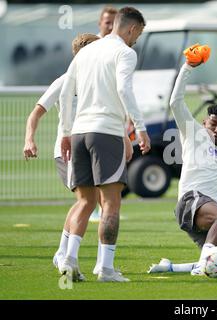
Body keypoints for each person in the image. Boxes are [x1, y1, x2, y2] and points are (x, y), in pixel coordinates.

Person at [59, 7, 150, 282]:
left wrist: (65, 131)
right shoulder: (125, 52)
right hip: (106, 132)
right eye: (139, 34)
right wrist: (140, 128)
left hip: (78, 132)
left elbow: (65, 92)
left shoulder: (86, 51)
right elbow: (124, 89)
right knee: (110, 204)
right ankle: (105, 268)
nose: (136, 40)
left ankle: (70, 259)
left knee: (85, 201)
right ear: (132, 29)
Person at [148, 53, 217, 275]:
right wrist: (187, 67)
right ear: (205, 122)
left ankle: (172, 267)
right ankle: (206, 254)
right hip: (191, 201)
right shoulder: (193, 132)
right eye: (213, 124)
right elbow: (175, 102)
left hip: (208, 213)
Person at [23, 33, 107, 281]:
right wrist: (29, 139)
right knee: (87, 201)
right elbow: (35, 113)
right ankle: (65, 256)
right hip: (67, 151)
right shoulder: (64, 81)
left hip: (87, 149)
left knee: (90, 201)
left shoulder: (97, 82)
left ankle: (64, 254)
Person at [89, 6, 119, 222]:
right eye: (107, 22)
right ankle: (95, 208)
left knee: (107, 170)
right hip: (93, 119)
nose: (110, 26)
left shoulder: (120, 48)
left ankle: (103, 209)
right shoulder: (91, 47)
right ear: (100, 23)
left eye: (114, 22)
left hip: (112, 118)